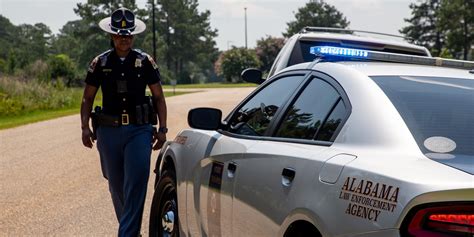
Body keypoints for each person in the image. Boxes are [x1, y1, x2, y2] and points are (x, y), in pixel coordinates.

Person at [80, 7, 167, 236]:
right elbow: (87, 97)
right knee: (116, 185)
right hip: (108, 132)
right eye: (119, 35)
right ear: (111, 35)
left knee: (137, 183)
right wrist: (84, 128)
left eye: (128, 35)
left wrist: (163, 130)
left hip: (139, 131)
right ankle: (130, 230)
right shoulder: (100, 62)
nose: (124, 39)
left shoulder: (145, 61)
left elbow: (158, 96)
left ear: (133, 36)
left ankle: (126, 233)